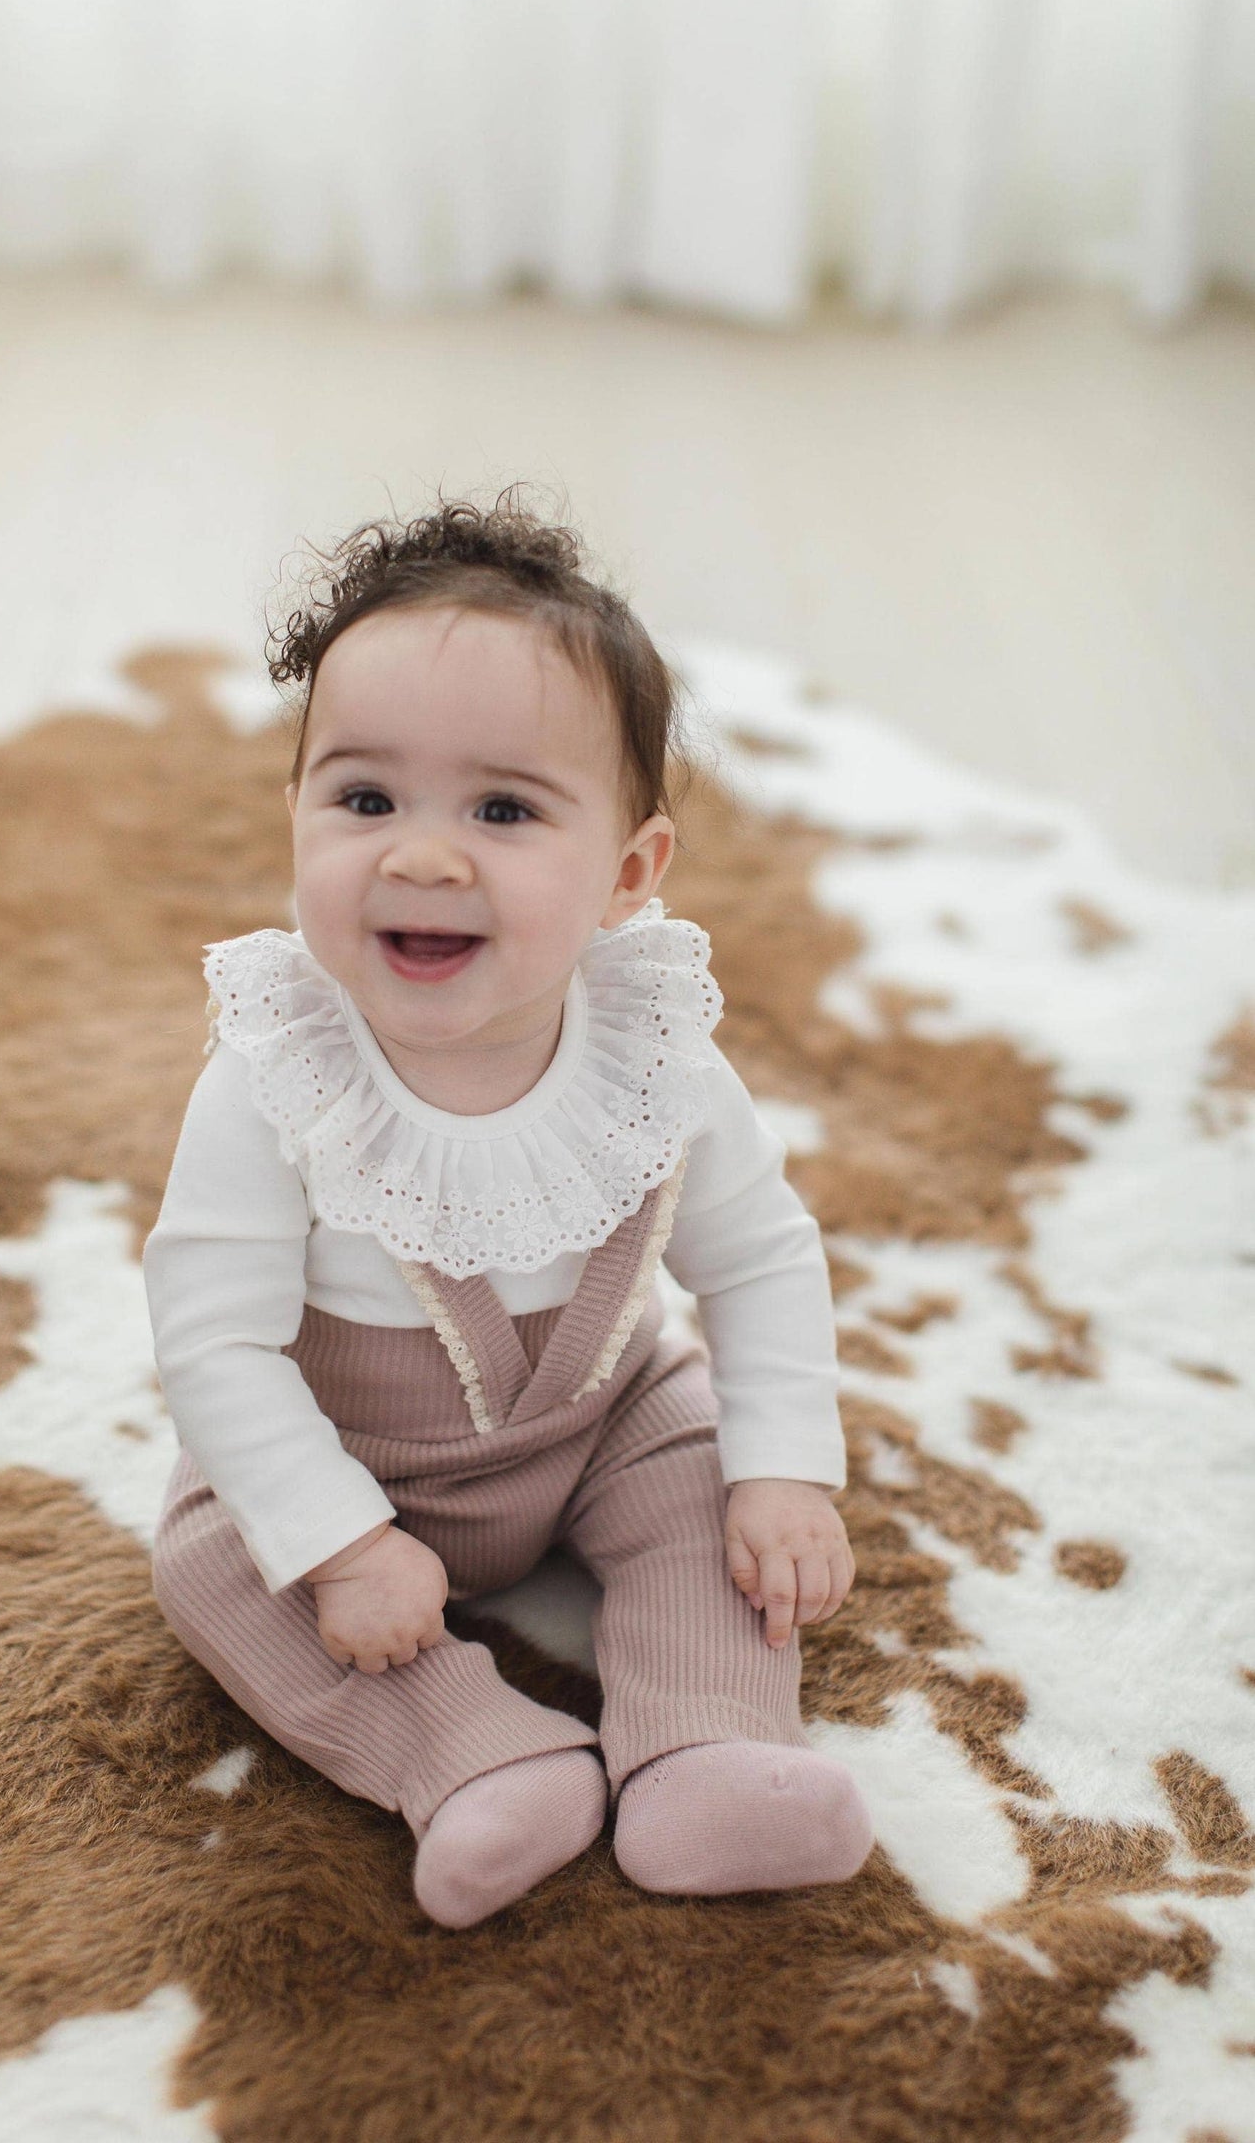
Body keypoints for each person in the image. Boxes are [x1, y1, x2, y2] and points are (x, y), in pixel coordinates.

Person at [143, 492, 873, 1930]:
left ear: (626, 875)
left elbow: (761, 1257)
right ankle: (470, 1756)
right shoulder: (271, 1080)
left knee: (705, 1486)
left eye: (500, 809)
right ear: (293, 815)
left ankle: (709, 1747)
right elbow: (213, 1349)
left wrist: (788, 1463)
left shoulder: (656, 1054)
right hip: (352, 1455)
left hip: (600, 1416)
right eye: (364, 800)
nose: (421, 856)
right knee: (216, 1566)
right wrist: (342, 1543)